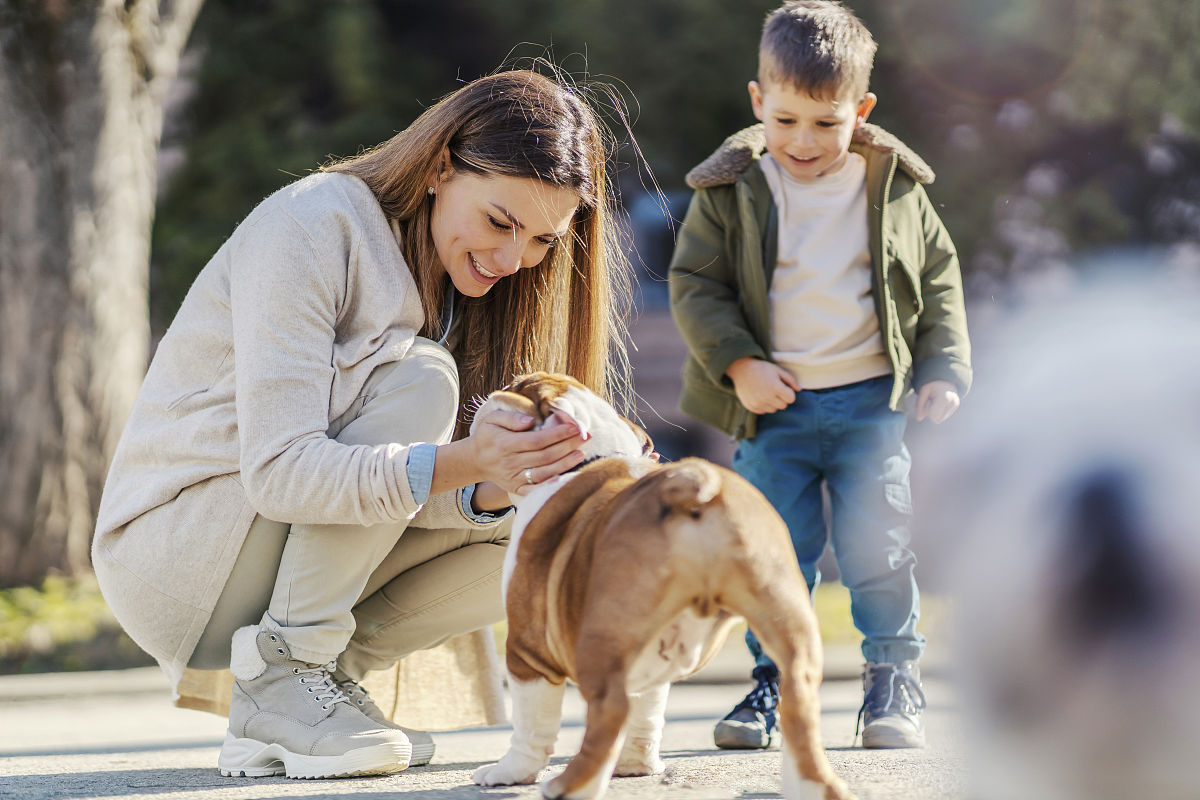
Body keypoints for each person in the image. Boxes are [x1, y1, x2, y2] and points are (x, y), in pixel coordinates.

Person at [92, 69, 634, 779]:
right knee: (421, 379)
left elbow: (392, 489)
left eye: (540, 240)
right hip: (178, 553)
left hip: (268, 563)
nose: (512, 259)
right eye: (501, 221)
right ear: (442, 165)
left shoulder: (451, 280)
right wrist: (470, 461)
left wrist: (498, 483)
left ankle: (316, 687)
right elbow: (282, 473)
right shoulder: (314, 224)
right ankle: (288, 670)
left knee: (565, 513)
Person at [668, 0, 971, 750]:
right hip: (776, 410)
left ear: (861, 110)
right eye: (786, 119)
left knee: (880, 547)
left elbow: (938, 279)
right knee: (776, 554)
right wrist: (739, 365)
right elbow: (696, 286)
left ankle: (891, 681)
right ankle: (772, 685)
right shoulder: (731, 191)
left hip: (873, 404)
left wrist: (943, 367)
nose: (804, 141)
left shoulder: (894, 188)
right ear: (757, 101)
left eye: (827, 123)